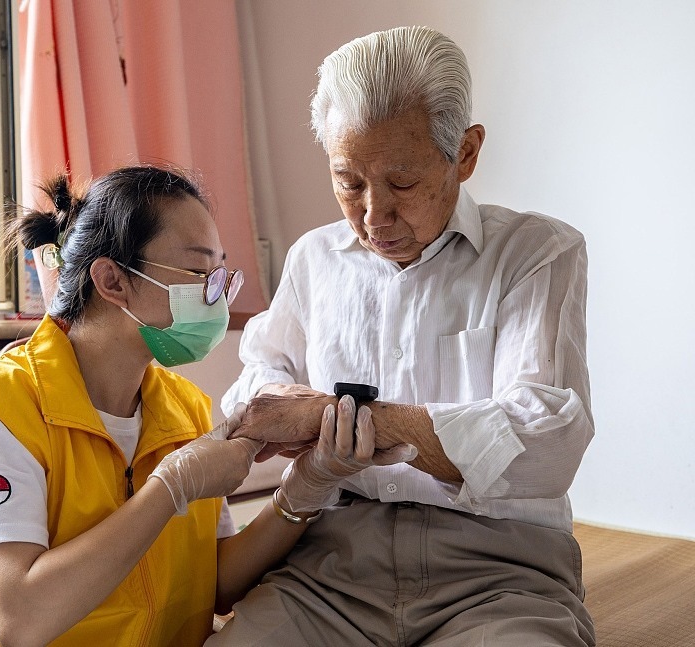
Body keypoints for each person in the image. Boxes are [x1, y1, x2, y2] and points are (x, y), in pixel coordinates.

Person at [211, 26, 595, 646]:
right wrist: (298, 414)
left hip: (498, 572)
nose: (373, 215)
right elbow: (255, 395)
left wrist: (342, 418)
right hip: (328, 567)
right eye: (349, 182)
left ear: (465, 152)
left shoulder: (536, 252)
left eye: (403, 183)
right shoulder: (314, 259)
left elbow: (544, 443)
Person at [0, 166, 315, 646]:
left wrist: (304, 488)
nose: (216, 298)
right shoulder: (2, 406)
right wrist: (169, 488)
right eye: (197, 273)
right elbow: (19, 621)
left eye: (220, 277)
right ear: (112, 280)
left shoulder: (184, 408)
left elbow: (218, 585)